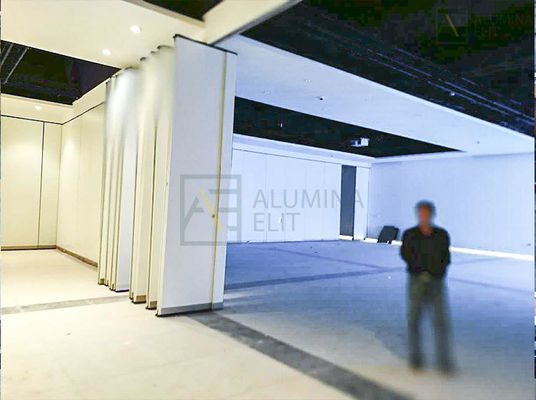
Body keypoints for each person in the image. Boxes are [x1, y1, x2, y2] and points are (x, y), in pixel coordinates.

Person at [401, 201, 453, 373]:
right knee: (414, 320)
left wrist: (435, 271)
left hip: (436, 283)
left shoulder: (441, 235)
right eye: (421, 213)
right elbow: (405, 254)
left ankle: (444, 361)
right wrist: (420, 269)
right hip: (416, 281)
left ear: (431, 215)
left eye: (426, 213)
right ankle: (416, 359)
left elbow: (446, 257)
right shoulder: (410, 234)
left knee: (441, 322)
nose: (423, 217)